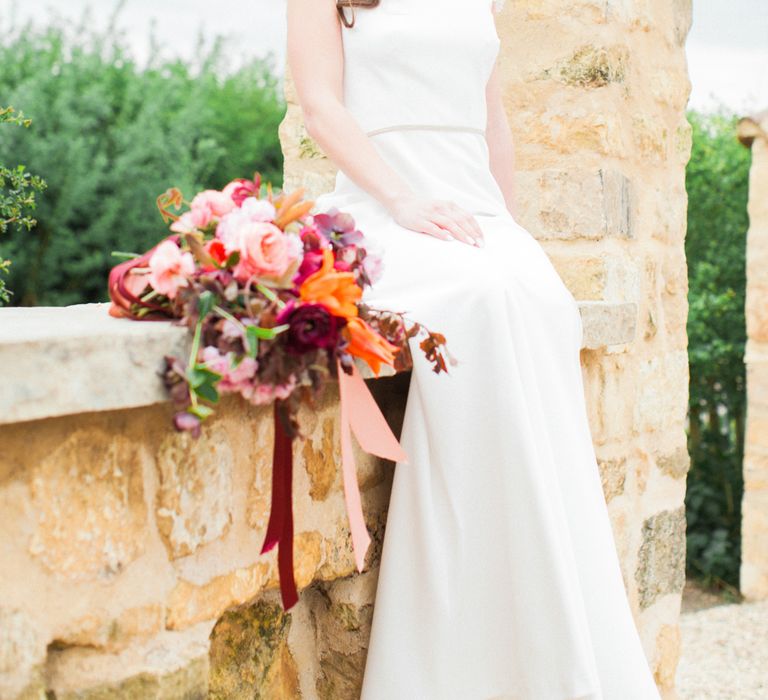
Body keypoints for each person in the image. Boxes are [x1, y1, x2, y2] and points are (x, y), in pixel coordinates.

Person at [287, 0, 663, 698]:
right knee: (482, 299)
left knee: (542, 299)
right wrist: (405, 202)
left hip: (475, 215)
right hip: (384, 213)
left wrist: (511, 234)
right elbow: (321, 109)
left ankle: (560, 614)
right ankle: (463, 634)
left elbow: (493, 125)